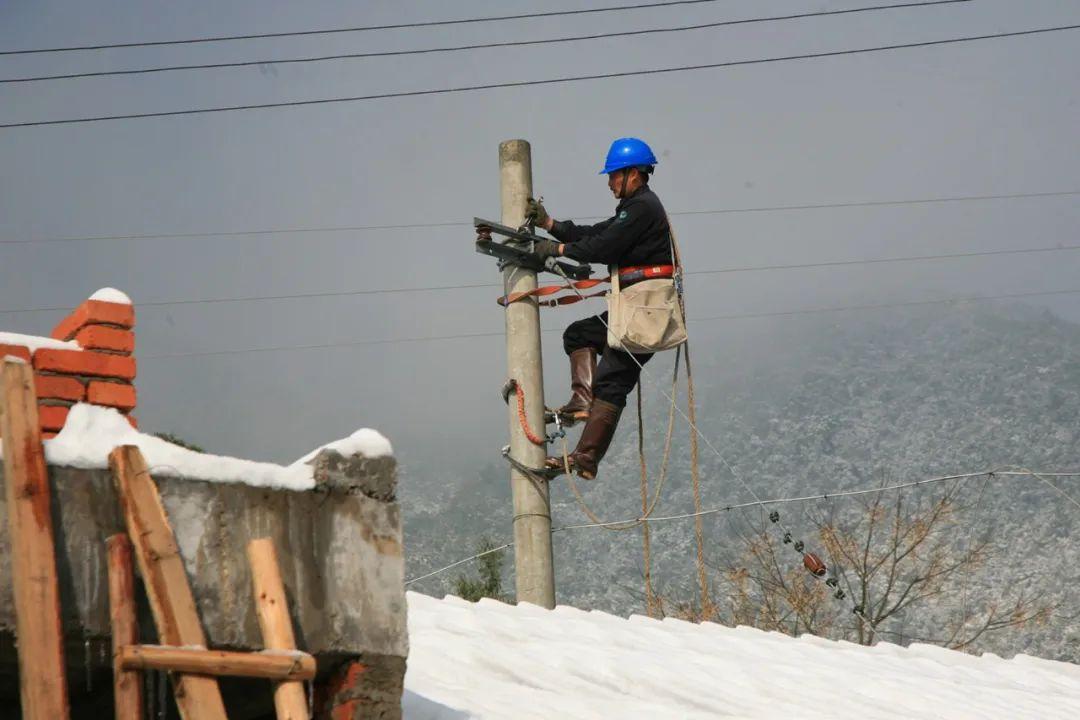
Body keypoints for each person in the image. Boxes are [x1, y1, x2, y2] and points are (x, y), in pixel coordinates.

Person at [527, 137, 675, 480]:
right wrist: (551, 226)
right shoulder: (633, 209)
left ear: (633, 174)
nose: (609, 182)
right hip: (634, 309)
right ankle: (582, 404)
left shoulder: (643, 208)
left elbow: (605, 246)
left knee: (612, 381)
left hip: (646, 313)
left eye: (613, 176)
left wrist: (558, 248)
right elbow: (598, 232)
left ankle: (586, 457)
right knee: (579, 335)